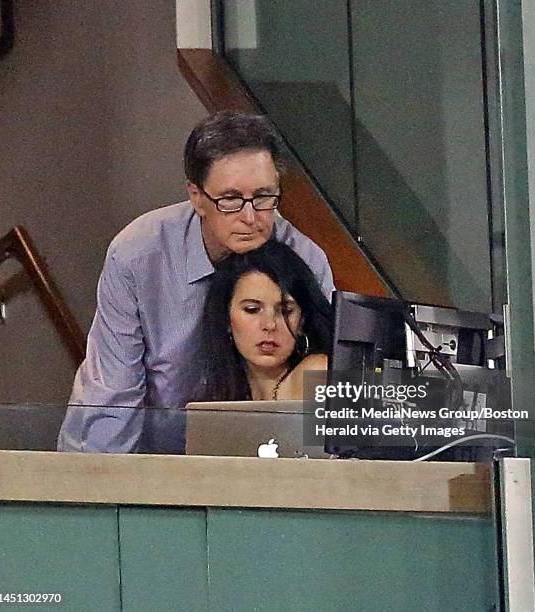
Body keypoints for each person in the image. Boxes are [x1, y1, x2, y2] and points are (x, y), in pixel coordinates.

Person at [57, 110, 334, 453]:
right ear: (196, 196)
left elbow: (337, 405)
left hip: (254, 462)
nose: (250, 217)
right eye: (231, 199)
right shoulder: (138, 254)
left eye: (263, 197)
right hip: (150, 460)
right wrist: (99, 489)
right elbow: (114, 393)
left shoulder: (306, 260)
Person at [195, 240, 332, 403]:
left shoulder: (318, 373)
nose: (269, 325)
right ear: (226, 319)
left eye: (285, 311)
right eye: (252, 310)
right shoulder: (219, 392)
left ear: (302, 320)